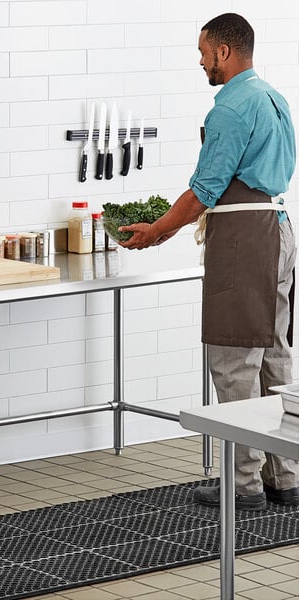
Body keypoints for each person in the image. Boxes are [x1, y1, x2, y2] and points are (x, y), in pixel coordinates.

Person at [119, 13, 299, 510]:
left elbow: (204, 190)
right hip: (279, 229)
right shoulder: (273, 98)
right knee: (274, 354)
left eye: (203, 52)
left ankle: (243, 487)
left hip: (244, 239)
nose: (200, 61)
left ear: (223, 51)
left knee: (234, 357)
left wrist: (158, 229)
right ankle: (284, 476)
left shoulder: (231, 109)